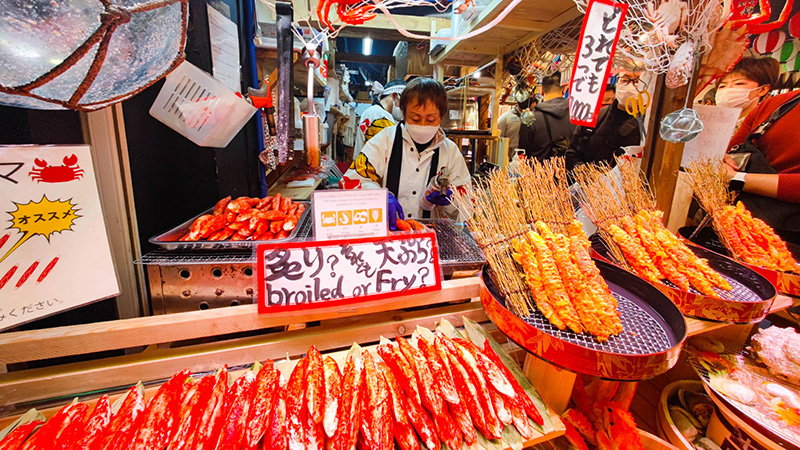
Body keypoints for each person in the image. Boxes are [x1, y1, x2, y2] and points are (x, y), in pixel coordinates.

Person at [343, 77, 471, 229]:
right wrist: (378, 196)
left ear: (441, 117)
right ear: (403, 113)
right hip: (388, 233)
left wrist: (452, 201)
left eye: (430, 120)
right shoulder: (384, 141)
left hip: (432, 235)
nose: (422, 125)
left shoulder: (450, 153)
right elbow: (352, 180)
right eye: (415, 118)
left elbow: (467, 207)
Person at [724, 80, 800, 243]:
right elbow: (729, 153)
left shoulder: (776, 104)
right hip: (740, 228)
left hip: (742, 225)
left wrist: (738, 179)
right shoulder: (775, 104)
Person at [565, 71, 642, 171]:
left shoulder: (647, 124)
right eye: (625, 80)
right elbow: (572, 154)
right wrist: (588, 174)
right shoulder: (593, 116)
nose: (630, 86)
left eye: (637, 81)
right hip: (588, 178)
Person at [518, 73, 575, 160]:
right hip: (570, 168)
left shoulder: (529, 118)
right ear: (564, 89)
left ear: (541, 90)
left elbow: (522, 153)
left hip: (537, 168)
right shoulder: (576, 116)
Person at [716, 57, 779, 132]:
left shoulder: (764, 126)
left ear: (762, 89)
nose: (727, 89)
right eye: (722, 86)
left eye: (739, 83)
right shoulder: (711, 125)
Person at [353, 79, 406, 158]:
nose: (405, 109)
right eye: (404, 103)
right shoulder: (381, 117)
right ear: (395, 96)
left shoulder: (374, 112)